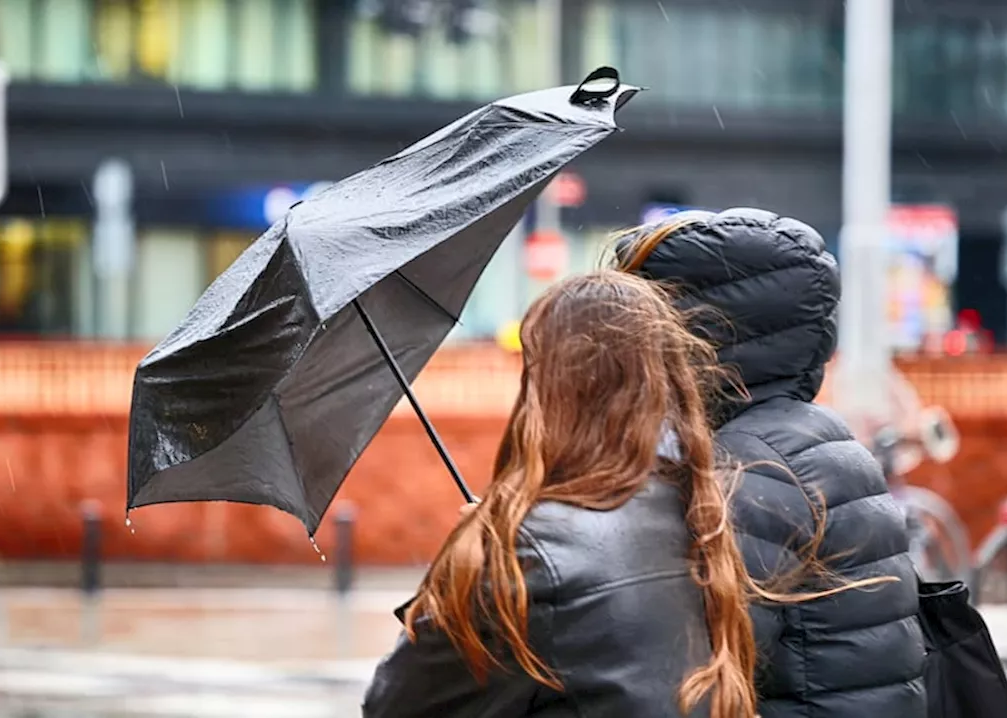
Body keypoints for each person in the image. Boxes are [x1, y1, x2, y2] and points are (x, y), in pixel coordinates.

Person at [362, 271, 885, 718]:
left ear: (550, 387)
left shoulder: (524, 550)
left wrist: (468, 564)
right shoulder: (701, 512)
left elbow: (395, 706)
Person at [615, 208, 925, 717]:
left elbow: (695, 666)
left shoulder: (753, 471)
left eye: (638, 322)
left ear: (696, 334)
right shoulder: (803, 437)